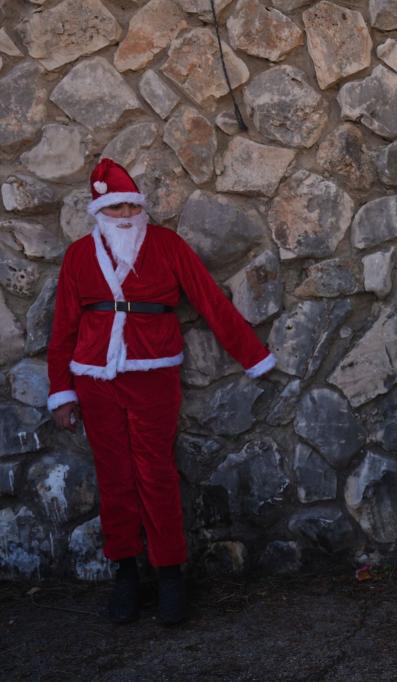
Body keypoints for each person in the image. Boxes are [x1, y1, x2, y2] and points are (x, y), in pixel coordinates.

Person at [47, 158, 275, 625]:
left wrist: (254, 356)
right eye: (117, 206)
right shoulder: (78, 257)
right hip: (94, 377)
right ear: (100, 211)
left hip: (153, 374)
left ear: (141, 207)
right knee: (114, 475)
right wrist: (61, 392)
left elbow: (210, 301)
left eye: (133, 203)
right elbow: (63, 327)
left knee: (156, 472)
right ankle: (125, 573)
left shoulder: (167, 245)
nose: (126, 212)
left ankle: (170, 573)